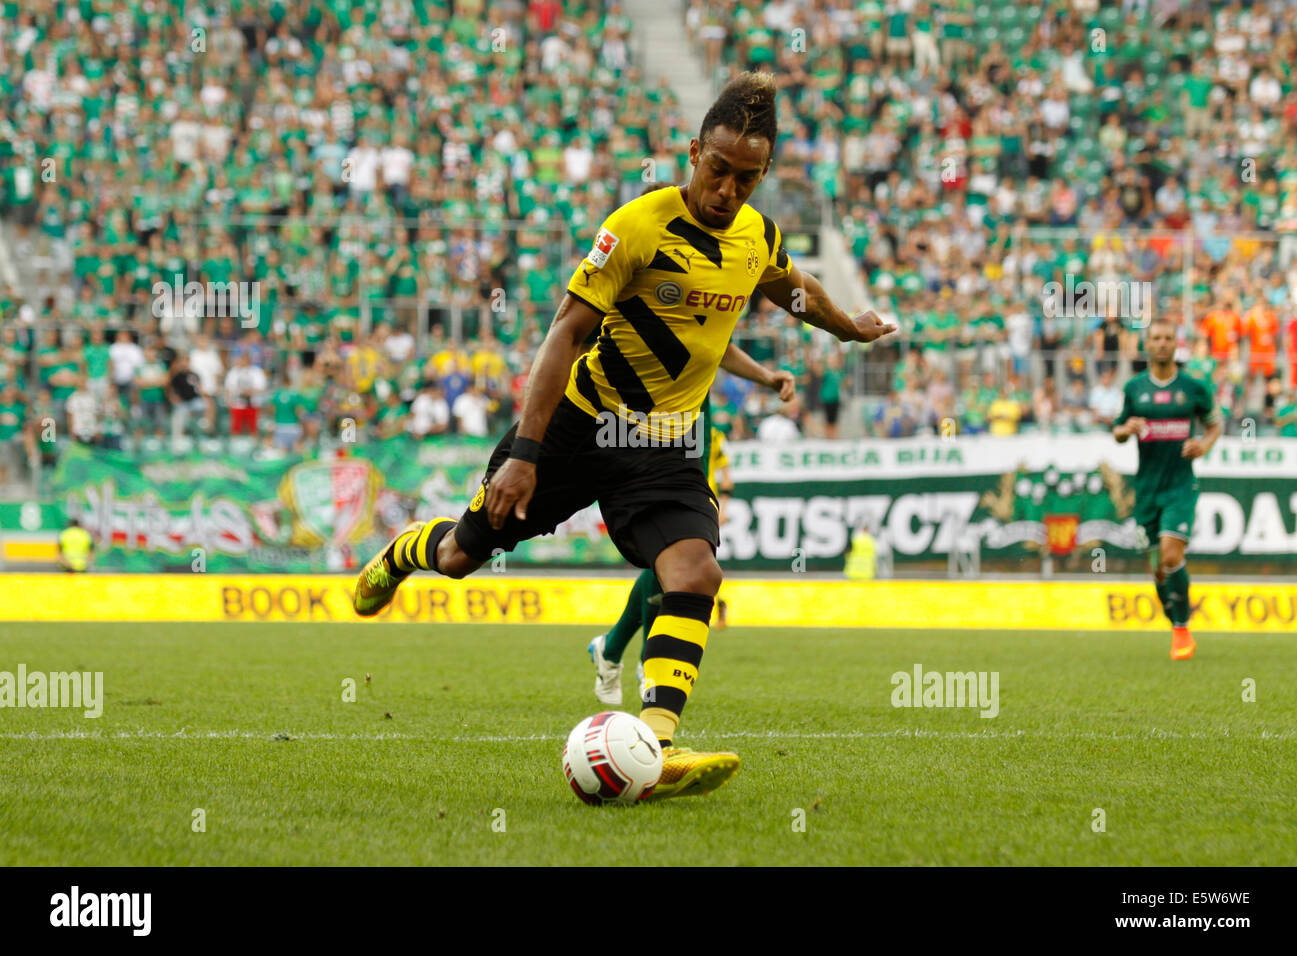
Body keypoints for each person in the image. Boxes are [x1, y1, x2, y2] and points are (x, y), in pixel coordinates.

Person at [351, 72, 895, 799]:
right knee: (458, 556)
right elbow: (564, 334)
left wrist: (848, 326)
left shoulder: (757, 237)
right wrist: (525, 453)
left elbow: (789, 289)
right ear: (694, 151)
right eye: (718, 171)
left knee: (696, 571)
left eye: (747, 178)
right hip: (580, 429)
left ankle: (658, 745)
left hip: (666, 445)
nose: (729, 191)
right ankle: (401, 552)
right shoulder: (638, 226)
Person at [588, 359, 792, 707]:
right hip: (666, 482)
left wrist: (722, 507)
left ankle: (614, 648)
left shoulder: (712, 431)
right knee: (665, 571)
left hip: (698, 502)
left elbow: (725, 474)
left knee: (672, 576)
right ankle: (639, 660)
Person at [1112, 318, 1222, 661]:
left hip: (1180, 486)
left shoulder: (1193, 388)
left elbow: (1215, 423)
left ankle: (1181, 629)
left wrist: (1204, 444)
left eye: (1167, 337)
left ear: (1176, 343)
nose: (1161, 343)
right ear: (1147, 344)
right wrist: (1126, 428)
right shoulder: (1134, 389)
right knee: (1158, 569)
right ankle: (1176, 620)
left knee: (1172, 555)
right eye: (1155, 338)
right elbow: (1117, 431)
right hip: (1146, 490)